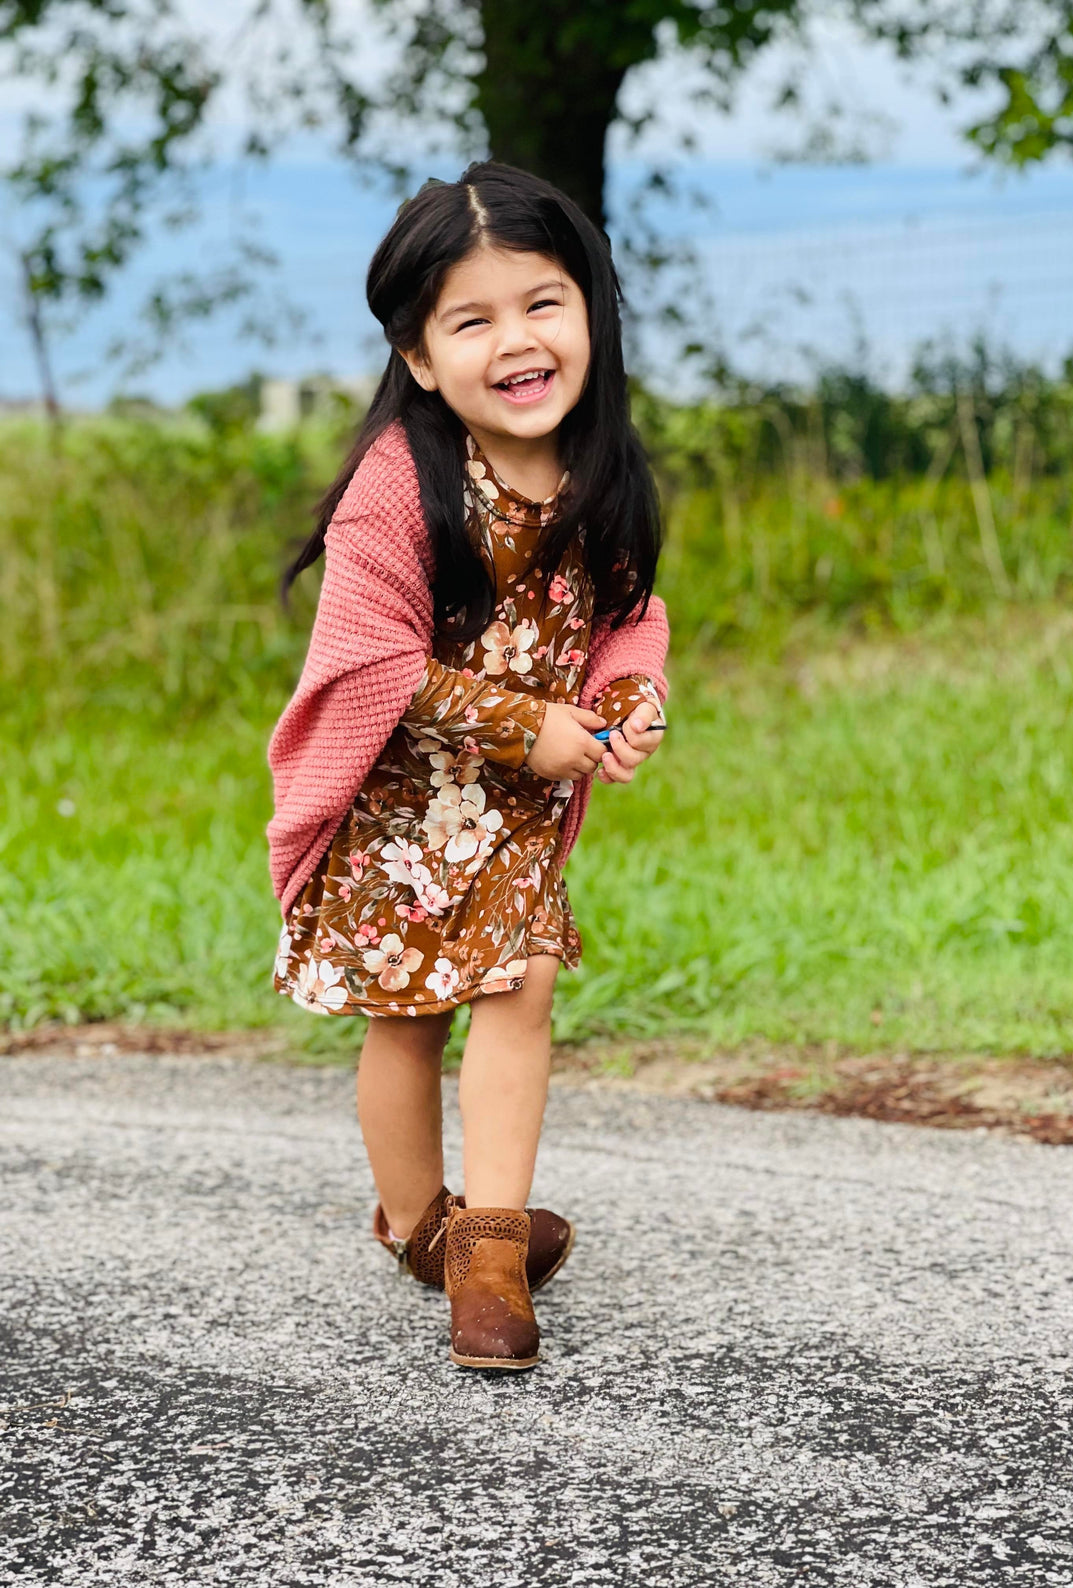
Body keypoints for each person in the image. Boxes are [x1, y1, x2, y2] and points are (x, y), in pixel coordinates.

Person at [266, 160, 670, 1371]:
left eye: (543, 303)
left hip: (515, 811)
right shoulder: (402, 481)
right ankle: (416, 1225)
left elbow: (630, 617)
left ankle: (487, 1254)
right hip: (396, 808)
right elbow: (369, 663)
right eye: (473, 319)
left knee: (526, 979)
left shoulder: (601, 469)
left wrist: (623, 702)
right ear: (422, 357)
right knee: (408, 1022)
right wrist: (527, 727)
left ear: (589, 309)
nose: (518, 340)